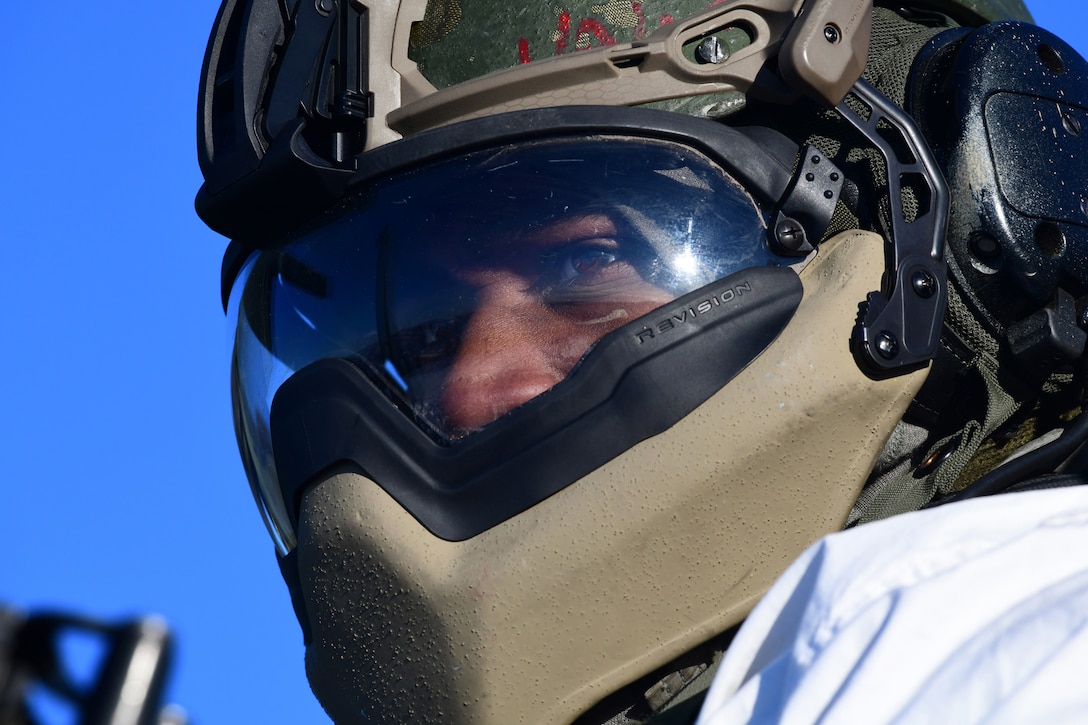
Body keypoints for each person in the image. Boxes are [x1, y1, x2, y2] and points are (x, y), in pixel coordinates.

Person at [194, 0, 1088, 721]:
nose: (468, 387)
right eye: (422, 342)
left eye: (582, 264)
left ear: (979, 198)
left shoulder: (1008, 636)